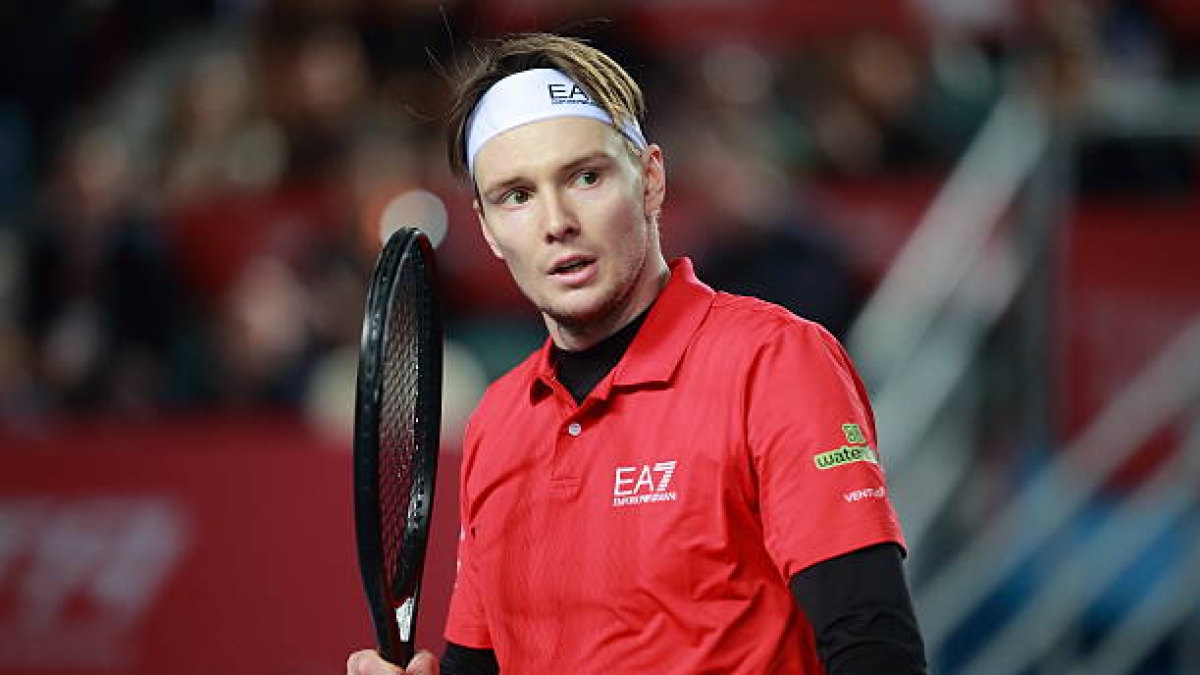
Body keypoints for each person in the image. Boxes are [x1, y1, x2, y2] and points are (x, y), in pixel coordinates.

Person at [348, 33, 927, 675]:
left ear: (651, 180)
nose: (556, 220)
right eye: (517, 195)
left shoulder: (777, 361)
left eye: (585, 177)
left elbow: (876, 652)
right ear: (486, 227)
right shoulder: (495, 422)